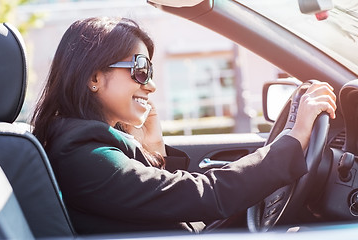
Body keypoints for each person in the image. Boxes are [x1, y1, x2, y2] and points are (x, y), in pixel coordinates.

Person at [31, 16, 336, 235]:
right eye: (140, 69)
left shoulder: (89, 145)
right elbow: (204, 194)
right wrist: (293, 140)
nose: (150, 85)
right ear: (93, 78)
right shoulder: (84, 155)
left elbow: (161, 202)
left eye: (150, 71)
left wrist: (154, 152)